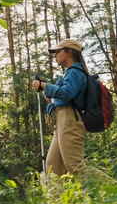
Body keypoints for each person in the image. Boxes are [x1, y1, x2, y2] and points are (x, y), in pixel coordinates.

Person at [31, 39, 88, 177]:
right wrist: (50, 99)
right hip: (63, 119)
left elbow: (67, 94)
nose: (55, 55)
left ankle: (115, 190)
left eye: (57, 51)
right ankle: (55, 199)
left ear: (68, 52)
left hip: (70, 120)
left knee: (75, 166)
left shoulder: (75, 72)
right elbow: (64, 98)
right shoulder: (70, 73)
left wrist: (45, 86)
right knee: (52, 168)